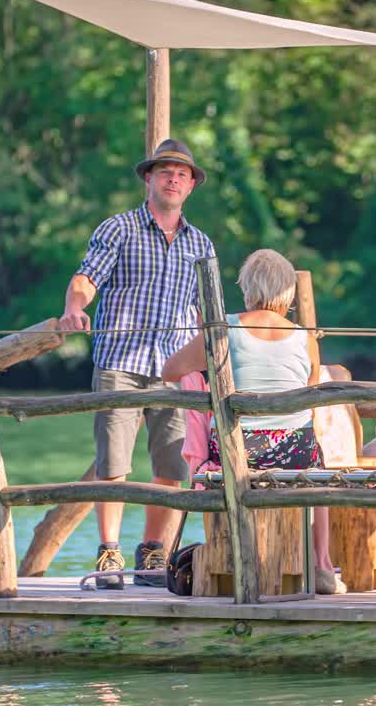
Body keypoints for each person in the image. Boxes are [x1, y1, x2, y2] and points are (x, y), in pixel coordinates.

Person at [60, 138, 216, 589]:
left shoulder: (201, 244)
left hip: (174, 370)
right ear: (148, 178)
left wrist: (212, 362)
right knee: (113, 464)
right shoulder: (119, 228)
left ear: (190, 187)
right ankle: (109, 552)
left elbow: (206, 311)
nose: (173, 178)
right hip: (121, 363)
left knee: (173, 468)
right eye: (165, 171)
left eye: (182, 174)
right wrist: (75, 307)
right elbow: (86, 277)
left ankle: (152, 552)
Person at [162, 249, 346, 594]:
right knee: (318, 464)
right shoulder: (304, 336)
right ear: (288, 291)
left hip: (239, 453)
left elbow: (169, 370)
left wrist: (206, 368)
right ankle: (321, 565)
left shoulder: (223, 329)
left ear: (247, 287)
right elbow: (309, 393)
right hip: (295, 453)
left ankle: (238, 557)